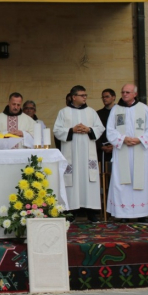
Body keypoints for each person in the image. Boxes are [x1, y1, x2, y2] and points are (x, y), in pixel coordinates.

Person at [53, 85, 105, 223]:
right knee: (72, 181)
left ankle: (92, 213)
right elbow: (57, 130)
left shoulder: (91, 112)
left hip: (88, 154)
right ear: (73, 97)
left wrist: (88, 129)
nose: (85, 97)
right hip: (72, 154)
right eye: (82, 95)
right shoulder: (63, 112)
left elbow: (100, 128)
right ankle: (71, 212)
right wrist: (72, 130)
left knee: (89, 181)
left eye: (85, 95)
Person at [106, 83, 148, 223]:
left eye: (128, 92)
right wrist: (123, 139)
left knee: (140, 181)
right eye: (123, 92)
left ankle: (143, 213)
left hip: (140, 151)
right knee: (122, 182)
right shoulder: (116, 109)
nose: (124, 94)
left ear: (135, 94)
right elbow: (110, 130)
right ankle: (123, 214)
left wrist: (140, 140)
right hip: (122, 150)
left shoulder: (144, 109)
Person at [96, 89, 116, 164]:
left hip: (117, 147)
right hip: (103, 149)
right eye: (103, 97)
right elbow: (95, 131)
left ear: (113, 97)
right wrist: (100, 146)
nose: (104, 99)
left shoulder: (120, 112)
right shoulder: (98, 114)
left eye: (107, 96)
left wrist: (116, 145)